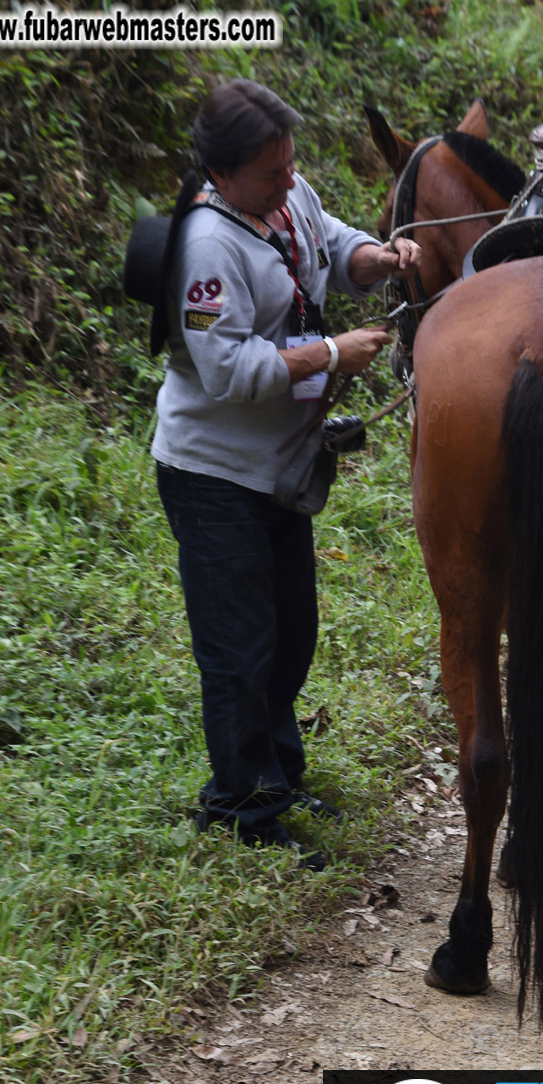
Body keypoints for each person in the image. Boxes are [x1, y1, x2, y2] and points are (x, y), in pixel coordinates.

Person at [150, 79, 420, 871]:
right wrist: (334, 352)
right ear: (222, 176)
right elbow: (228, 369)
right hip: (213, 473)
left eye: (290, 166)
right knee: (240, 645)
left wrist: (377, 257)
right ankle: (241, 807)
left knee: (291, 631)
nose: (287, 183)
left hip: (278, 465)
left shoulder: (284, 191)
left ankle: (277, 775)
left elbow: (332, 244)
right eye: (270, 174)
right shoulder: (207, 245)